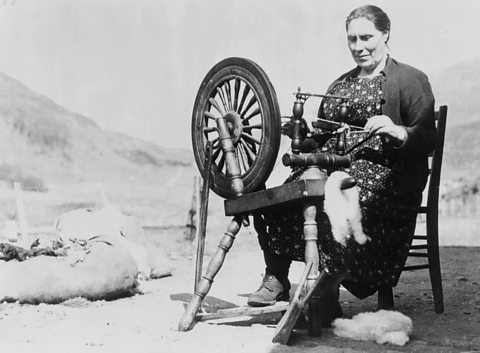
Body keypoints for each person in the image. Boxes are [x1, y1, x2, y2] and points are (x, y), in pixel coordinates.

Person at [247, 4, 437, 326]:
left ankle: (326, 291)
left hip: (387, 180)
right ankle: (277, 278)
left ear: (386, 34)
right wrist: (303, 135)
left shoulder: (409, 79)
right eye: (352, 39)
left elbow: (428, 137)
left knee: (333, 201)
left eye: (367, 38)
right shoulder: (340, 85)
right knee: (283, 194)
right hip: (336, 168)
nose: (359, 47)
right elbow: (323, 140)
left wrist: (397, 130)